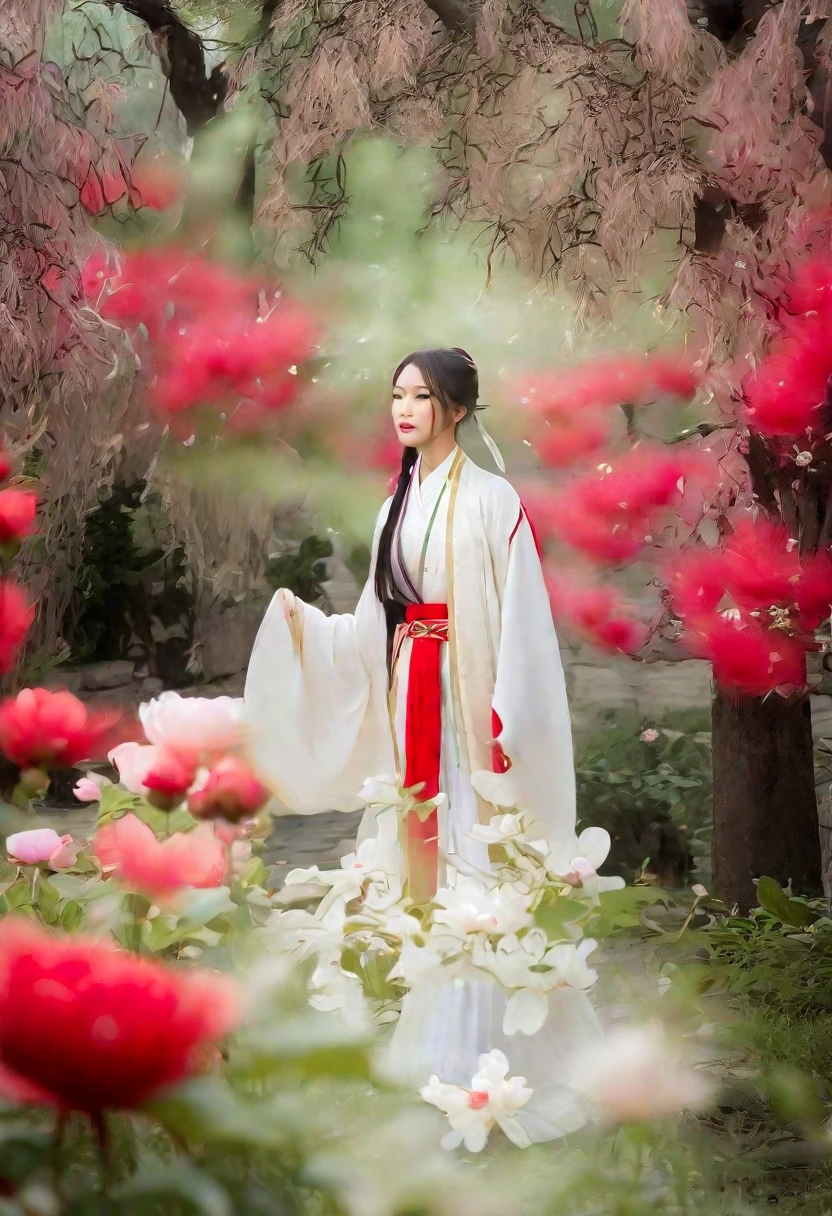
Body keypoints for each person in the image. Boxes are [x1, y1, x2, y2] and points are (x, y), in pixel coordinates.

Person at [244, 347, 602, 1142]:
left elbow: (525, 625)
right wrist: (316, 633)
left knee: (475, 852)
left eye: (423, 396)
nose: (404, 409)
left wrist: (509, 714)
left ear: (460, 409)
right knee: (424, 855)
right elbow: (382, 624)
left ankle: (489, 1052)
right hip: (413, 692)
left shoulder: (493, 500)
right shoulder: (394, 506)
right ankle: (437, 1047)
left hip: (472, 707)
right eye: (396, 395)